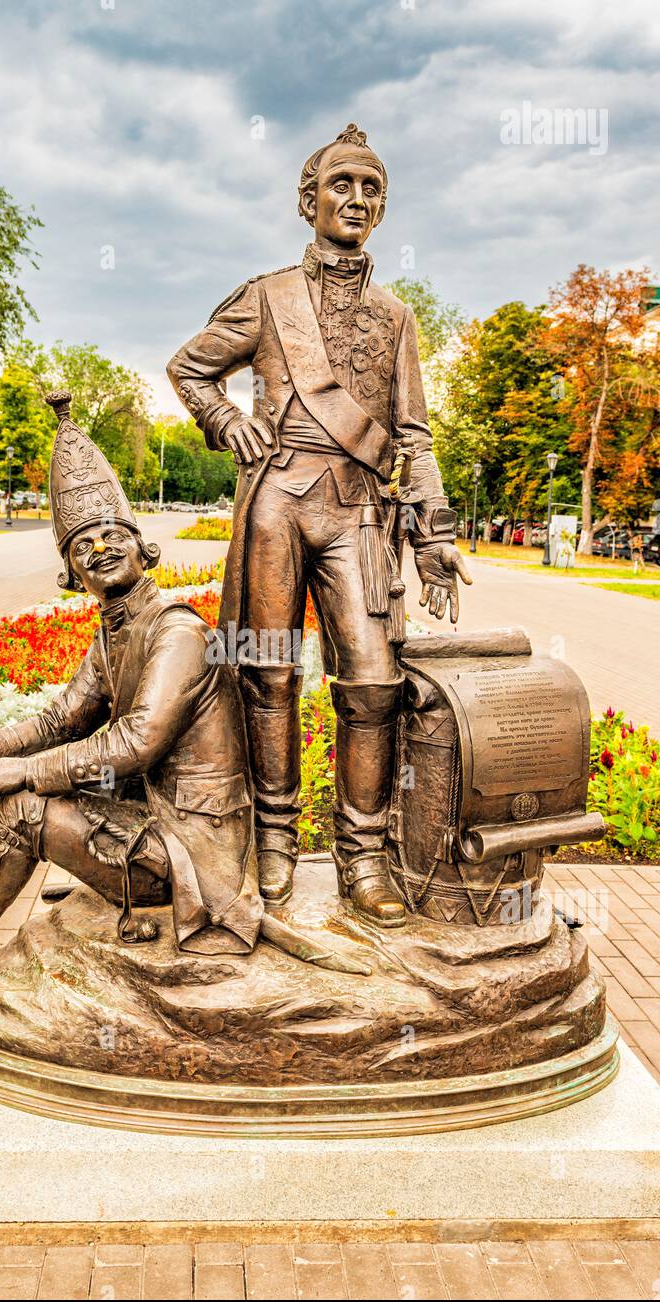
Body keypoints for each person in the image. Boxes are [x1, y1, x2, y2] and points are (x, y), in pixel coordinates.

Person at [167, 123, 470, 925]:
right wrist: (224, 421)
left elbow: (414, 435)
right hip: (276, 506)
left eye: (373, 190)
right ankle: (271, 844)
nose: (358, 201)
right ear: (309, 201)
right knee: (267, 672)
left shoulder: (397, 316)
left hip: (359, 513)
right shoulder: (267, 297)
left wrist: (434, 535)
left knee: (372, 682)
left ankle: (363, 858)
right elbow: (189, 368)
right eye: (344, 185)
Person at [0, 392, 263, 985]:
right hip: (152, 822)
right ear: (71, 573)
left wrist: (25, 773)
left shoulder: (177, 632)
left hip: (195, 856)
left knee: (24, 807)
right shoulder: (112, 635)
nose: (98, 548)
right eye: (81, 545)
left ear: (140, 544)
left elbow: (135, 743)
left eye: (110, 535)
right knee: (22, 787)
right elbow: (61, 720)